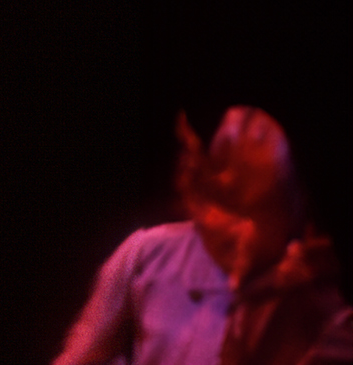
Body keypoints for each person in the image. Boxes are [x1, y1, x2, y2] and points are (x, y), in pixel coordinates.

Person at [55, 106, 351, 365]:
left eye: (258, 210)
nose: (241, 232)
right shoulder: (147, 254)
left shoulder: (318, 303)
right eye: (228, 204)